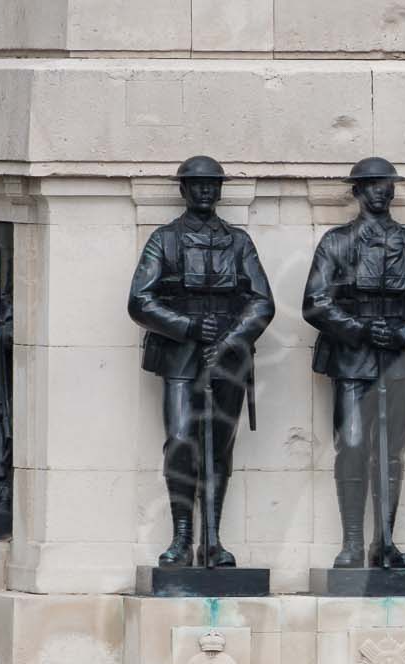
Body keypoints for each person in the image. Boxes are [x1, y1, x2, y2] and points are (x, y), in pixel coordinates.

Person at [302, 157, 405, 571]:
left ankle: (384, 542)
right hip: (351, 359)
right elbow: (315, 303)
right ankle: (352, 542)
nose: (381, 190)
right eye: (372, 184)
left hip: (400, 361)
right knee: (351, 445)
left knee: (391, 452)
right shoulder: (336, 242)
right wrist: (360, 330)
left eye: (387, 184)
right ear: (358, 191)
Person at [128, 155, 276, 569]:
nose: (206, 191)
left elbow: (261, 302)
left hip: (227, 358)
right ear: (184, 189)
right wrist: (189, 327)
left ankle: (213, 538)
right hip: (179, 356)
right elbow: (140, 300)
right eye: (198, 184)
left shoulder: (238, 242)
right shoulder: (165, 240)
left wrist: (230, 339)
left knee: (219, 449)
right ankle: (181, 537)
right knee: (179, 442)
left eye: (213, 184)